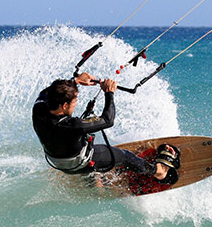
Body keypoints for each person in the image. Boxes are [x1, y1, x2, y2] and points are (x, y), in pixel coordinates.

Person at [32, 72, 180, 184]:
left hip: (57, 162)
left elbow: (47, 92)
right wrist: (109, 93)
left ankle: (93, 179)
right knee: (124, 156)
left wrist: (75, 81)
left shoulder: (38, 109)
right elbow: (108, 120)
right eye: (75, 100)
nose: (76, 103)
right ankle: (159, 172)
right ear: (64, 106)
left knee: (77, 145)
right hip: (78, 164)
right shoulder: (72, 126)